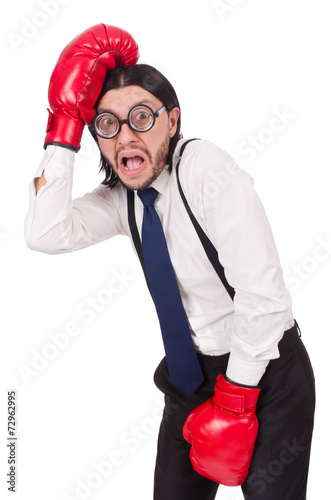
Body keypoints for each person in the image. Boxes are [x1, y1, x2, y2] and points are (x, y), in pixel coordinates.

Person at [24, 24, 315, 500]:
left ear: (173, 120)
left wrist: (237, 399)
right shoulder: (123, 199)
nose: (124, 137)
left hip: (266, 371)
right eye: (106, 124)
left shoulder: (207, 170)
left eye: (141, 117)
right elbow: (44, 234)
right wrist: (62, 131)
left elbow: (263, 299)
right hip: (189, 378)